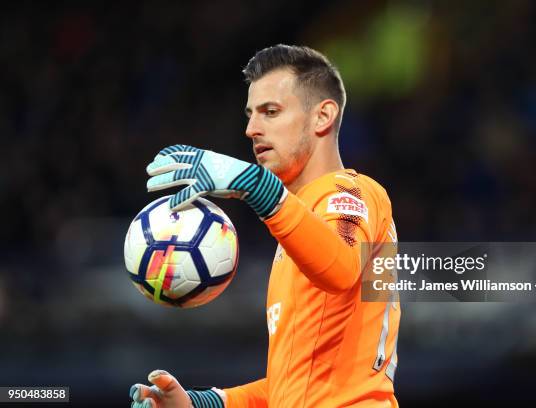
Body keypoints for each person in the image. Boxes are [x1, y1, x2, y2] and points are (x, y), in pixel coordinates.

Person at [130, 44, 400, 408]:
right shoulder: (299, 230)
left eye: (270, 112)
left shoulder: (353, 193)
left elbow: (341, 268)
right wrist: (206, 403)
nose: (251, 129)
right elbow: (296, 384)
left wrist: (256, 187)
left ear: (322, 117)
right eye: (250, 114)